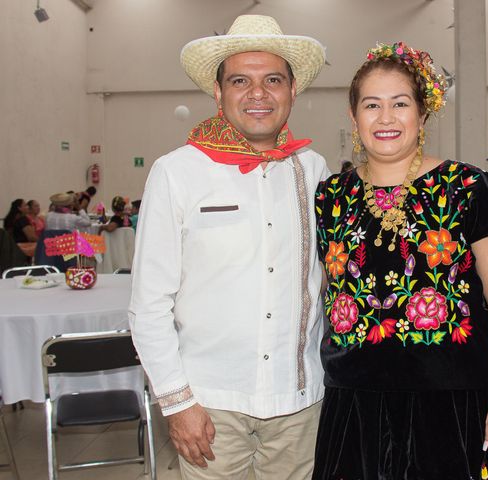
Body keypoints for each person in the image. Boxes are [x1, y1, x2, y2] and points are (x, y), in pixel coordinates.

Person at [313, 42, 488, 479]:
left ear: (423, 115)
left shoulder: (466, 188)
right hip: (356, 403)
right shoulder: (330, 197)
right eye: (372, 105)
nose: (386, 118)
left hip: (451, 402)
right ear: (354, 118)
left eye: (400, 104)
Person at [129, 15, 329, 480]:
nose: (257, 94)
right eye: (240, 80)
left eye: (272, 80)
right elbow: (149, 305)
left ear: (292, 91)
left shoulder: (314, 169)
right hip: (209, 407)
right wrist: (178, 403)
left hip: (299, 406)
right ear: (218, 93)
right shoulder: (176, 172)